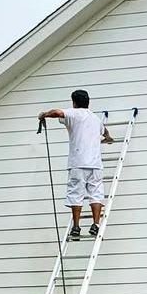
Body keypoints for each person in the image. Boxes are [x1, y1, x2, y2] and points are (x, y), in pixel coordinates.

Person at [38, 90, 113, 240]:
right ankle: (96, 224)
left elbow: (57, 112)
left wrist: (44, 114)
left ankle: (76, 227)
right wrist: (108, 138)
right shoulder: (95, 119)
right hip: (96, 164)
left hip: (78, 162)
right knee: (96, 193)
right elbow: (105, 131)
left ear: (74, 102)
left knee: (76, 194)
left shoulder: (74, 113)